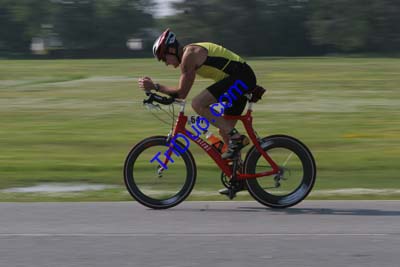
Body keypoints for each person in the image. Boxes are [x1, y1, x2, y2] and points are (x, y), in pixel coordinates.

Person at [138, 29, 258, 195]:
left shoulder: (189, 56)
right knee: (225, 131)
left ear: (171, 50)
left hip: (241, 77)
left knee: (198, 104)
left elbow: (181, 94)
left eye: (164, 58)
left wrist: (156, 87)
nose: (166, 63)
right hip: (239, 78)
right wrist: (159, 96)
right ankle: (240, 178)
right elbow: (178, 94)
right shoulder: (187, 56)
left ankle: (238, 138)